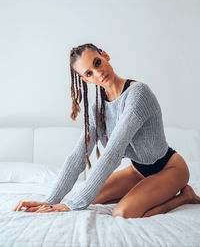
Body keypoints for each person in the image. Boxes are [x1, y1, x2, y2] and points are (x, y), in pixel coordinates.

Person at [13, 43, 200, 218]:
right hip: (138, 170)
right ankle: (145, 191)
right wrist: (50, 201)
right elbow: (78, 156)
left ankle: (184, 197)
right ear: (86, 80)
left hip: (169, 168)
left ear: (105, 56)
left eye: (97, 63)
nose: (98, 73)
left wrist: (74, 205)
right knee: (81, 196)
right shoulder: (98, 109)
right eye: (89, 73)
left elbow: (113, 152)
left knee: (122, 213)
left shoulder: (138, 94)